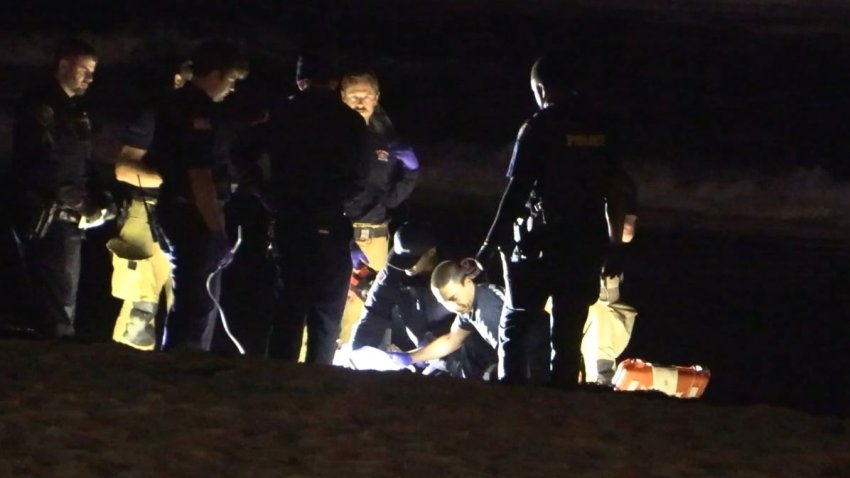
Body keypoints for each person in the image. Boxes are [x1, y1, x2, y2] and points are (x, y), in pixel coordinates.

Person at [476, 53, 637, 387]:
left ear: (541, 88)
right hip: (586, 240)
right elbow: (616, 190)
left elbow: (516, 191)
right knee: (568, 331)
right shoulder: (601, 125)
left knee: (517, 323)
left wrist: (489, 245)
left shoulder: (539, 126)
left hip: (542, 240)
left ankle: (512, 391)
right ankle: (563, 393)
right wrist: (615, 246)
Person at [262, 51, 369, 364]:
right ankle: (318, 377)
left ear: (299, 81)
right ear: (335, 82)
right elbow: (360, 179)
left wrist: (266, 192)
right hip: (331, 222)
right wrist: (337, 201)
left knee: (288, 309)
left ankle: (277, 378)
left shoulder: (282, 113)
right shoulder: (350, 121)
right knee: (326, 313)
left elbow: (243, 151)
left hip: (290, 218)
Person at [148, 39, 249, 351]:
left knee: (193, 298)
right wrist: (216, 228)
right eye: (230, 80)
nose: (231, 89)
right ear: (216, 74)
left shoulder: (175, 103)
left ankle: (183, 360)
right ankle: (182, 364)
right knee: (196, 301)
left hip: (176, 208)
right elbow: (199, 175)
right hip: (191, 214)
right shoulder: (196, 110)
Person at [10, 37, 111, 339]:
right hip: (53, 216)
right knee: (57, 305)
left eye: (92, 72)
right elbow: (46, 167)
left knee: (59, 300)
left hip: (65, 214)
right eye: (84, 70)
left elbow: (80, 162)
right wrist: (83, 204)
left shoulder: (72, 110)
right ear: (64, 66)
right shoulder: (43, 108)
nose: (89, 78)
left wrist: (100, 199)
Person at [107, 61, 193, 350]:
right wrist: (173, 180)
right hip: (146, 212)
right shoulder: (153, 114)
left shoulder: (202, 118)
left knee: (189, 311)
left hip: (188, 215)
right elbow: (123, 168)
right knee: (139, 317)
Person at [337, 70, 419, 346]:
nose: (361, 102)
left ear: (377, 98)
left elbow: (393, 198)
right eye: (354, 97)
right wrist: (341, 235)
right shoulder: (331, 136)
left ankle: (348, 368)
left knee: (364, 310)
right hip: (338, 233)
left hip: (376, 237)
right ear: (342, 98)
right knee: (328, 302)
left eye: (367, 96)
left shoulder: (386, 138)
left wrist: (411, 170)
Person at [383, 259, 548, 381]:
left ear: (468, 281)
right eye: (445, 302)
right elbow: (452, 339)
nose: (453, 306)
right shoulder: (470, 301)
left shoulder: (487, 311)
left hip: (542, 352)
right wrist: (409, 357)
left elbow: (515, 358)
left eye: (454, 297)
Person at [346, 222, 456, 366]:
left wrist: (435, 336)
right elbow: (375, 308)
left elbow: (468, 318)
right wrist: (358, 352)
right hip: (411, 337)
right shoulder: (397, 262)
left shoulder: (454, 270)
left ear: (431, 252)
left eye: (413, 261)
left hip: (449, 339)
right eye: (404, 260)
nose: (406, 266)